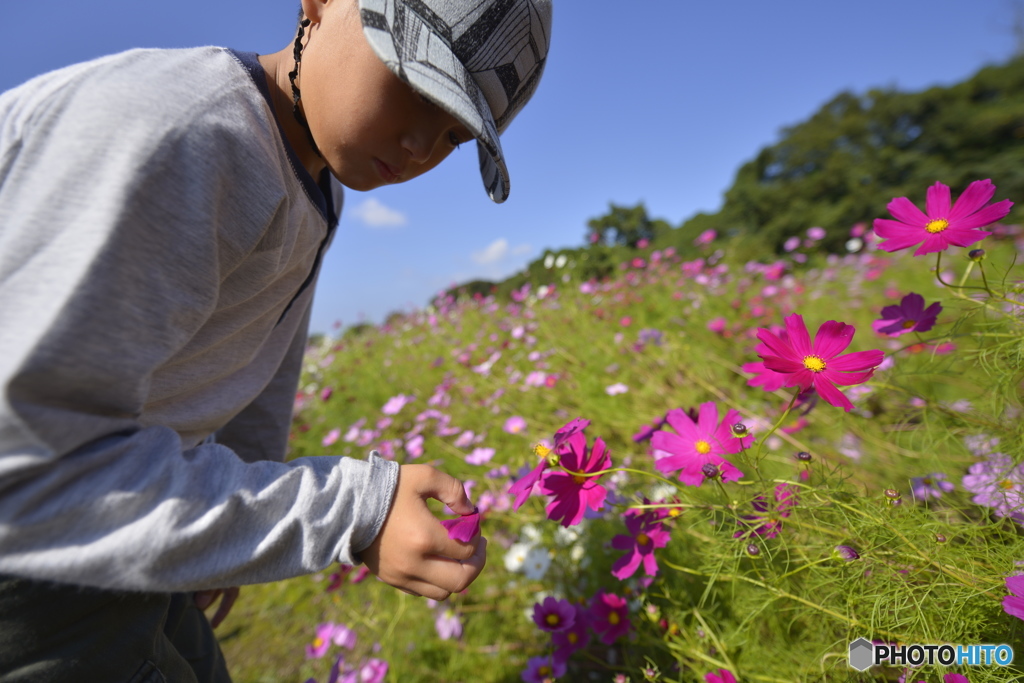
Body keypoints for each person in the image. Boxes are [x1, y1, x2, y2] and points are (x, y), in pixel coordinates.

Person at [0, 0, 552, 680]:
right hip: (29, 563)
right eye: (412, 84)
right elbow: (29, 464)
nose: (418, 147)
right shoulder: (186, 137)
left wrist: (225, 543)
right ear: (317, 4)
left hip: (128, 517)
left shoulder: (318, 179)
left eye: (452, 137)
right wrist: (358, 511)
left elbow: (260, 366)